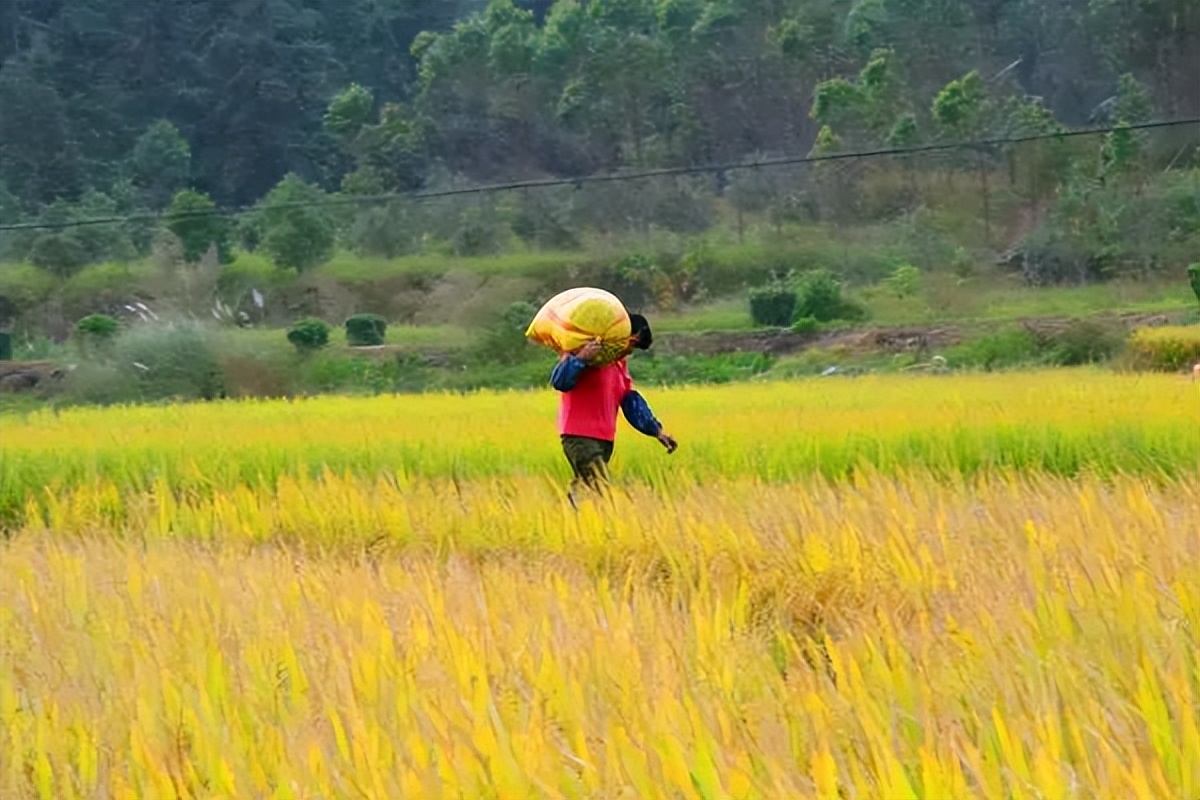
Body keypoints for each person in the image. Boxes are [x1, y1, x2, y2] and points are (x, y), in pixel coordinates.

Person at [549, 313, 677, 503]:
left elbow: (631, 402)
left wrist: (657, 431)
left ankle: (568, 514)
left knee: (585, 490)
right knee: (603, 491)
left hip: (604, 440)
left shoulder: (619, 364)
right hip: (580, 437)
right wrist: (582, 358)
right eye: (632, 343)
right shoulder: (586, 353)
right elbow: (559, 382)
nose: (630, 351)